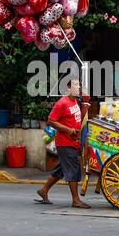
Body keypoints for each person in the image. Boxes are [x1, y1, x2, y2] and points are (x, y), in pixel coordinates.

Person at [36, 78, 91, 209]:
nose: (78, 88)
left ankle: (43, 190)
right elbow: (50, 121)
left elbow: (78, 119)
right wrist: (68, 130)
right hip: (65, 142)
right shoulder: (62, 103)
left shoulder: (75, 102)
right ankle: (76, 200)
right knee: (73, 169)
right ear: (68, 88)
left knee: (60, 170)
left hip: (73, 141)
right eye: (75, 85)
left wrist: (84, 108)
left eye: (79, 85)